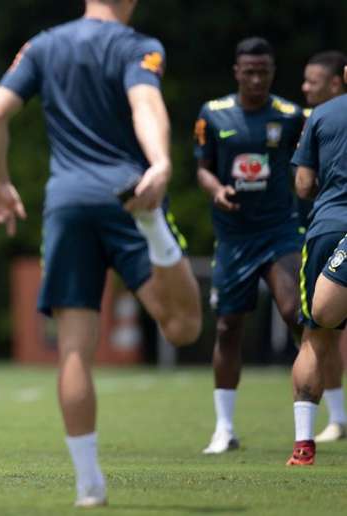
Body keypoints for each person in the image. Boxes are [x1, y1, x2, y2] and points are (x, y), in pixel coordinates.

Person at [0, 0, 201, 507]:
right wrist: (161, 162)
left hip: (67, 201)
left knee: (75, 349)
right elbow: (146, 105)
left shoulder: (43, 44)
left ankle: (88, 484)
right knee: (183, 327)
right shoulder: (137, 46)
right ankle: (156, 231)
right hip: (127, 193)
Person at [194, 37, 304, 455]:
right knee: (227, 327)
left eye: (264, 72)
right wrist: (216, 189)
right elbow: (202, 168)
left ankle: (327, 414)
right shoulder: (213, 113)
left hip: (279, 231)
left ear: (273, 74)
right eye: (249, 71)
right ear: (237, 72)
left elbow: (310, 158)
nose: (256, 79)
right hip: (234, 236)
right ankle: (224, 428)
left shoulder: (292, 115)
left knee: (296, 312)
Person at [288, 64, 347, 466]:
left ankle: (304, 447)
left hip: (328, 227)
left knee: (316, 333)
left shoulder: (322, 115)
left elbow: (304, 185)